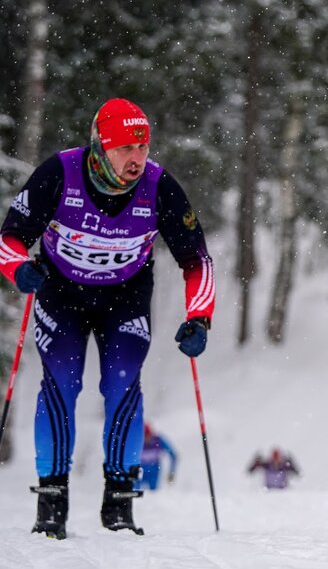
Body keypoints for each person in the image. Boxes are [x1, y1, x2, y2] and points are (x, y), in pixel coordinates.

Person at [0, 98, 214, 538]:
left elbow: (197, 262)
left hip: (126, 298)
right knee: (61, 382)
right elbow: (10, 239)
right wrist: (20, 270)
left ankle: (119, 502)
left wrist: (200, 317)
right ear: (100, 145)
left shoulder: (159, 187)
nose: (137, 159)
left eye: (143, 147)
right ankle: (52, 502)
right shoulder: (59, 173)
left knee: (122, 384)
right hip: (61, 292)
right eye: (125, 149)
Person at [138, 422, 178, 491]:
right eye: (144, 437)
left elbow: (173, 455)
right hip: (139, 473)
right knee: (136, 494)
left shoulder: (158, 441)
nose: (146, 439)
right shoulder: (136, 442)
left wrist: (172, 472)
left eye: (148, 435)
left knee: (153, 495)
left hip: (153, 473)